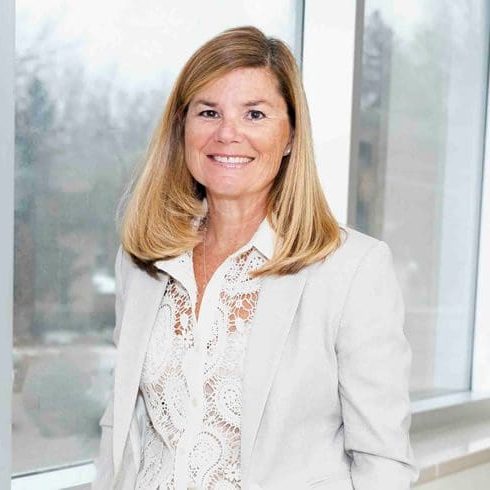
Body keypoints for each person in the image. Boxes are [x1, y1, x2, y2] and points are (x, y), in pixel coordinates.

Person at [92, 25, 418, 490]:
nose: (228, 134)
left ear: (289, 136)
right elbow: (119, 427)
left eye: (255, 114)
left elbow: (382, 461)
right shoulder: (144, 258)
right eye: (209, 112)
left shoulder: (352, 269)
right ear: (182, 127)